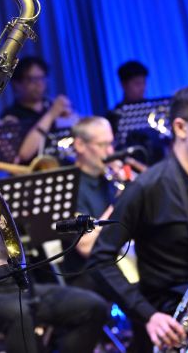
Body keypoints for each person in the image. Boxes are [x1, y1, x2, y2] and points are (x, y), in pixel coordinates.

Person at [89, 85, 188, 351]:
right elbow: (99, 260)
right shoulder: (146, 187)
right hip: (169, 322)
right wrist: (147, 315)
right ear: (180, 128)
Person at [59, 116, 122, 286]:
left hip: (116, 261)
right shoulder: (68, 188)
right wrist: (121, 201)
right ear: (80, 145)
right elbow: (86, 247)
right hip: (87, 274)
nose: (110, 152)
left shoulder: (111, 180)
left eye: (111, 143)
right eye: (102, 145)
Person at [2, 56, 74, 163]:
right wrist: (51, 115)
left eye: (42, 78)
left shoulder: (51, 105)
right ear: (17, 84)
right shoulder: (11, 115)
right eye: (32, 79)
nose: (39, 84)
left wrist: (71, 118)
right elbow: (23, 154)